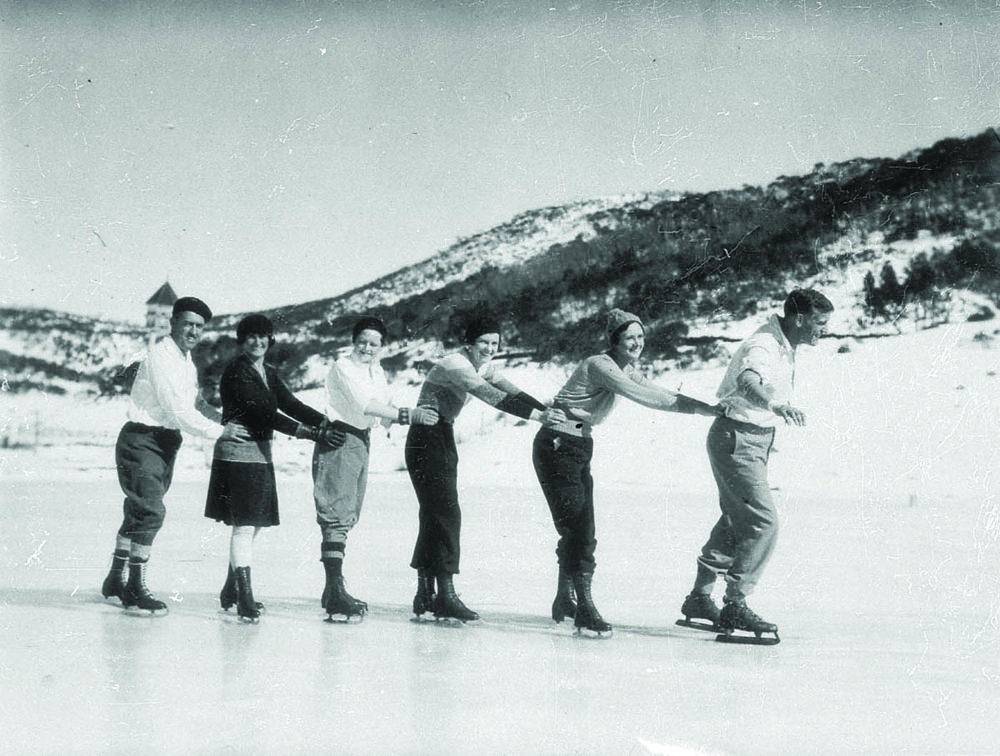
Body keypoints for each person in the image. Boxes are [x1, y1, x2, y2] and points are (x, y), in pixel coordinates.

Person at [533, 308, 720, 636]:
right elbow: (647, 397)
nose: (637, 343)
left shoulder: (624, 367)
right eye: (630, 337)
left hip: (576, 443)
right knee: (580, 528)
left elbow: (659, 391)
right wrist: (704, 410)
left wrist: (707, 408)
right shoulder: (601, 365)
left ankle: (566, 597)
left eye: (641, 337)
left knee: (578, 527)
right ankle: (584, 607)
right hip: (558, 443)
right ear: (614, 340)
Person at [678, 288, 833, 643]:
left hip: (751, 439)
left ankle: (701, 597)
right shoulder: (763, 345)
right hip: (737, 438)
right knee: (763, 522)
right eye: (820, 323)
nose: (824, 329)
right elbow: (748, 381)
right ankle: (735, 602)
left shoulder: (784, 344)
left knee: (738, 518)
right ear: (800, 319)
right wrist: (775, 405)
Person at [406, 314, 567, 622]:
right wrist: (537, 417)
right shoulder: (455, 363)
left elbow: (514, 392)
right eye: (484, 342)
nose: (490, 348)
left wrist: (548, 411)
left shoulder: (484, 366)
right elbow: (489, 395)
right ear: (469, 343)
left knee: (434, 513)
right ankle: (446, 595)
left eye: (495, 343)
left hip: (441, 435)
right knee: (446, 513)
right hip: (426, 437)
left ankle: (425, 592)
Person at [101, 296, 249, 615]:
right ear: (173, 323)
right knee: (150, 511)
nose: (193, 331)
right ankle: (134, 586)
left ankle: (115, 578)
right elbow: (177, 409)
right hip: (141, 439)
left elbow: (195, 403)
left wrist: (226, 418)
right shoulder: (160, 356)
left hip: (166, 442)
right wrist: (218, 432)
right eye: (187, 324)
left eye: (199, 326)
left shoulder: (186, 361)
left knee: (138, 512)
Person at [204, 314, 345, 623]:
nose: (257, 341)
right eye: (250, 336)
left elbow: (289, 403)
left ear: (270, 339)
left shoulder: (266, 371)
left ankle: (231, 590)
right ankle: (244, 596)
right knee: (243, 526)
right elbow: (264, 414)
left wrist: (324, 422)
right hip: (237, 455)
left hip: (259, 454)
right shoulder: (237, 371)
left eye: (262, 335)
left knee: (251, 525)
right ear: (242, 341)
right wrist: (312, 434)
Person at [312, 316, 438, 621]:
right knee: (336, 514)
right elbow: (365, 404)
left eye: (374, 343)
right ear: (354, 341)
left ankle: (332, 590)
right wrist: (409, 415)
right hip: (341, 437)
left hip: (361, 440)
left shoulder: (376, 370)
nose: (367, 348)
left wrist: (416, 416)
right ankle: (335, 591)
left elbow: (383, 407)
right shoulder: (344, 366)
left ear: (382, 346)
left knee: (349, 512)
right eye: (363, 341)